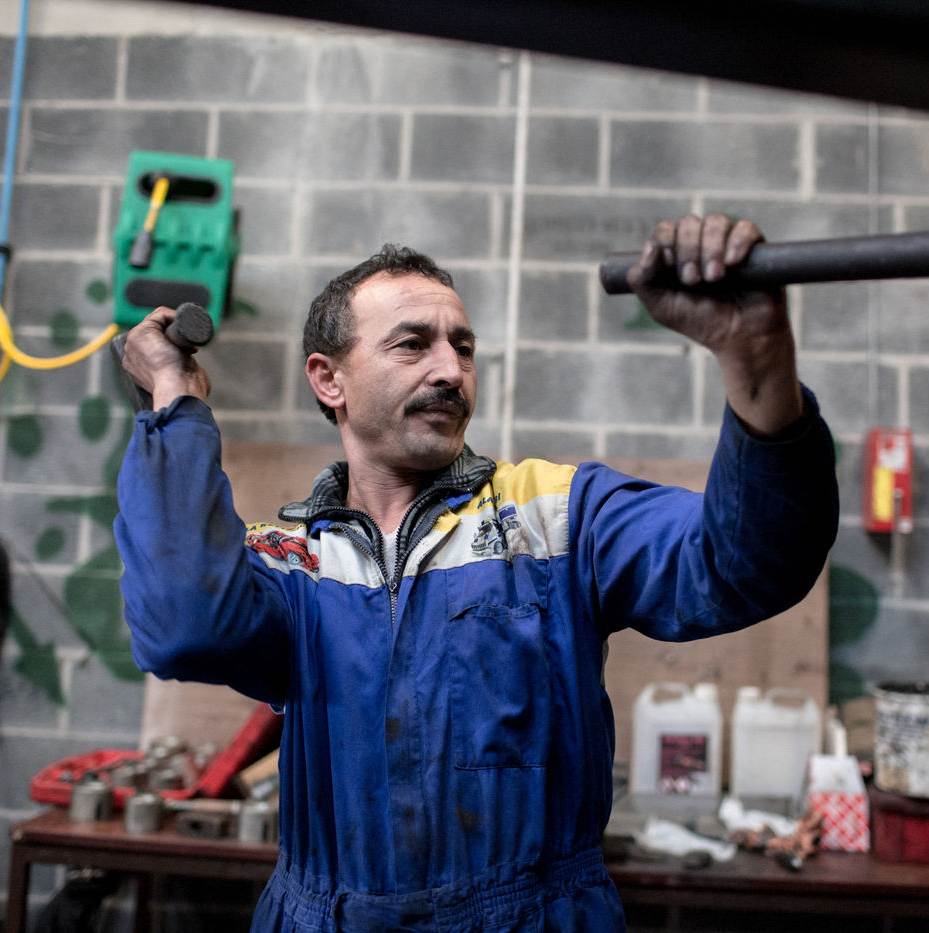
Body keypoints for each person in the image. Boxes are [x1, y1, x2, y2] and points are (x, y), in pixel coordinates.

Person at [113, 213, 839, 932]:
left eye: (462, 348)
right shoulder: (294, 563)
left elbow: (746, 562)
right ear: (329, 379)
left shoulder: (558, 517)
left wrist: (756, 356)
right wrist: (176, 397)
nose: (450, 370)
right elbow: (183, 625)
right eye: (413, 344)